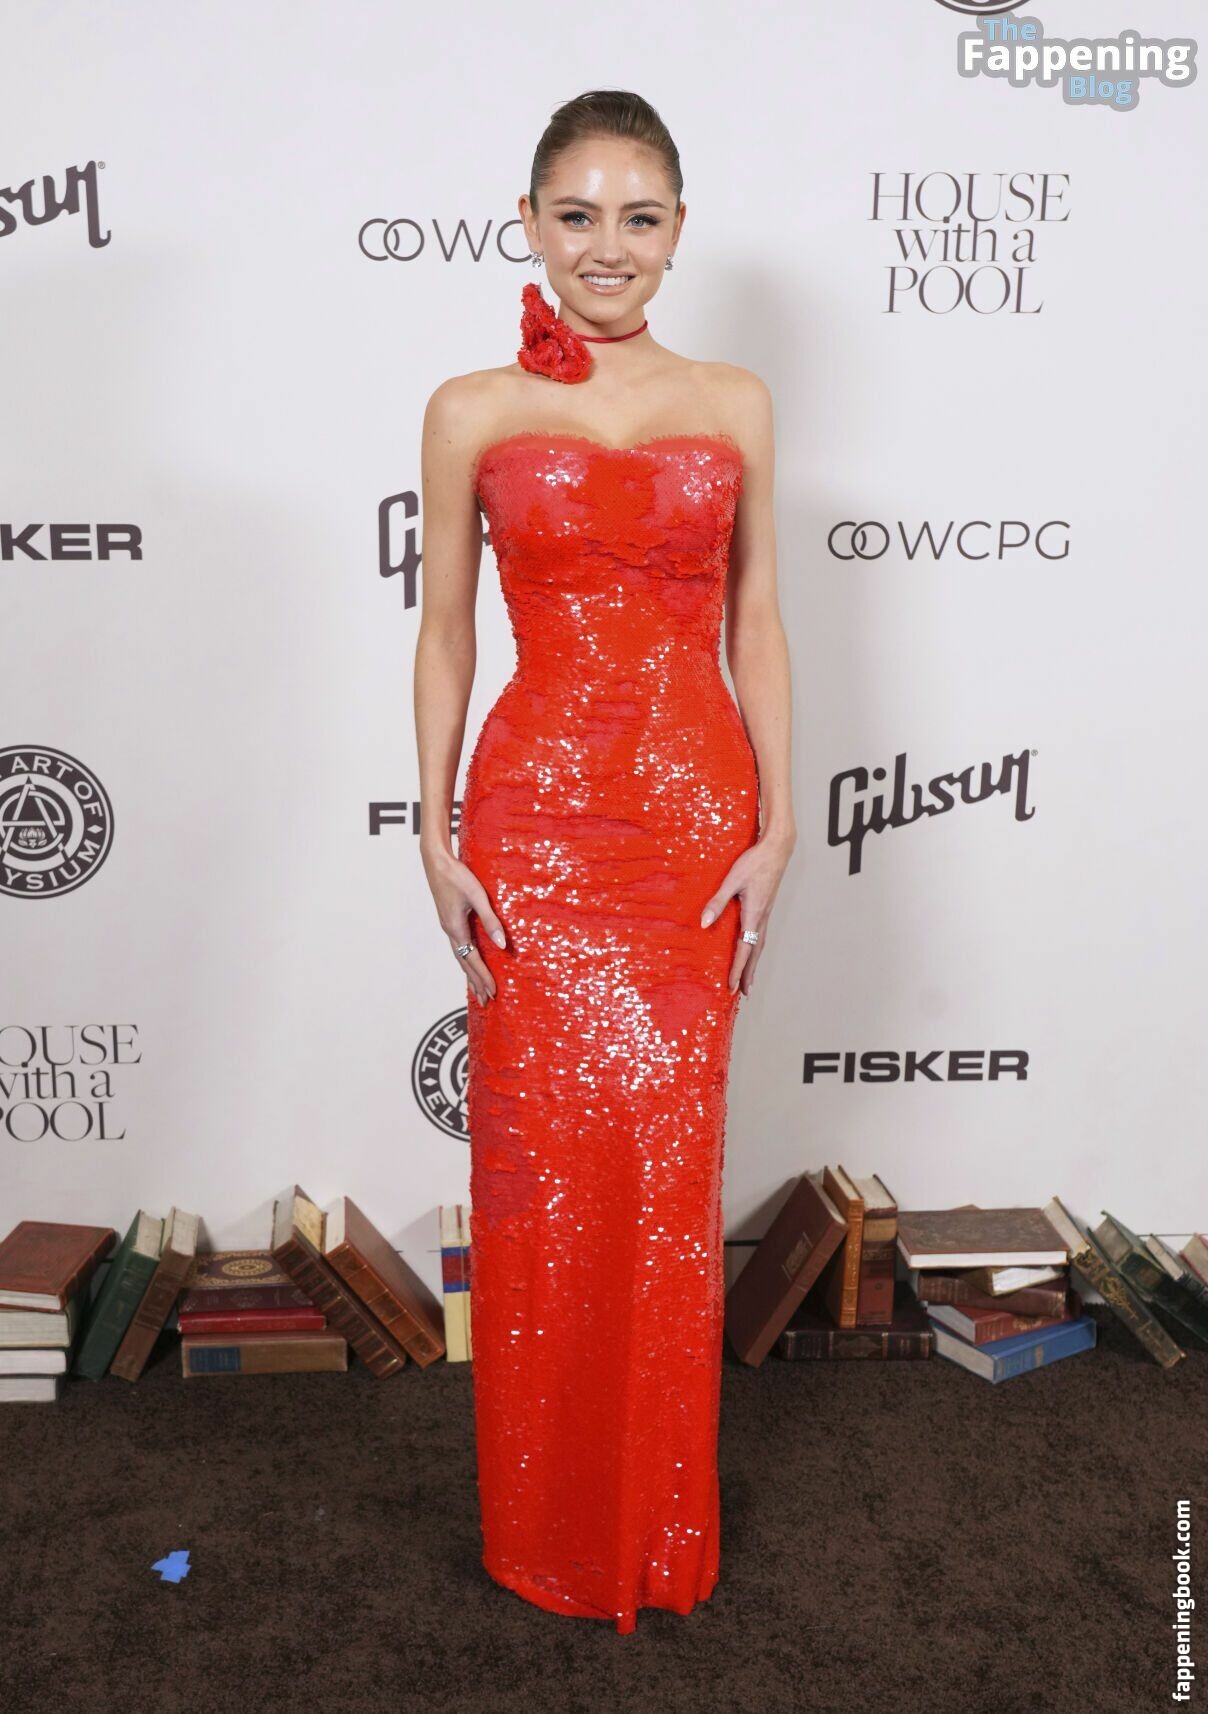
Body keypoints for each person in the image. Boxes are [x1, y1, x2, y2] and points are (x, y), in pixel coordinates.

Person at [415, 88, 796, 1634]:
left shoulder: (737, 399)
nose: (607, 245)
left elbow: (756, 615)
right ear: (528, 223)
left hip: (692, 825)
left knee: (664, 1170)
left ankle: (651, 1521)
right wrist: (432, 826)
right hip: (534, 825)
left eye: (639, 216)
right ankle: (552, 1527)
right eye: (576, 215)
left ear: (679, 231)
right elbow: (446, 630)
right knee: (545, 1179)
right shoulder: (469, 408)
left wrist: (780, 820)